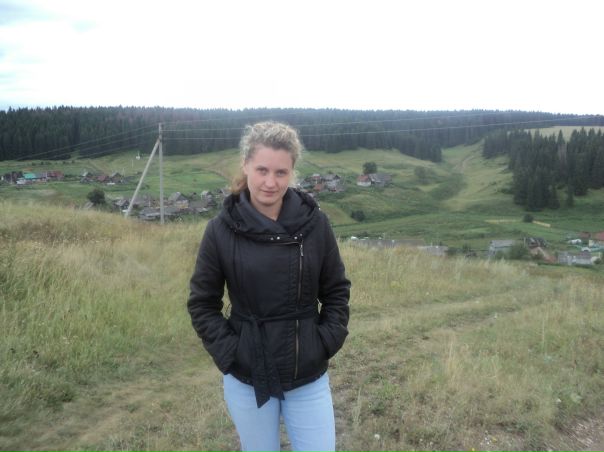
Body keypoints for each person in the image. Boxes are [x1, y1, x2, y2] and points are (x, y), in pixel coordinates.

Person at [187, 121, 350, 452]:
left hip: (307, 373)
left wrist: (323, 343)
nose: (270, 182)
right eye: (262, 170)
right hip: (248, 376)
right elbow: (202, 304)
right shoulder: (220, 230)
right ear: (245, 165)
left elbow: (336, 291)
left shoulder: (315, 224)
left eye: (280, 172)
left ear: (291, 173)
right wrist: (233, 352)